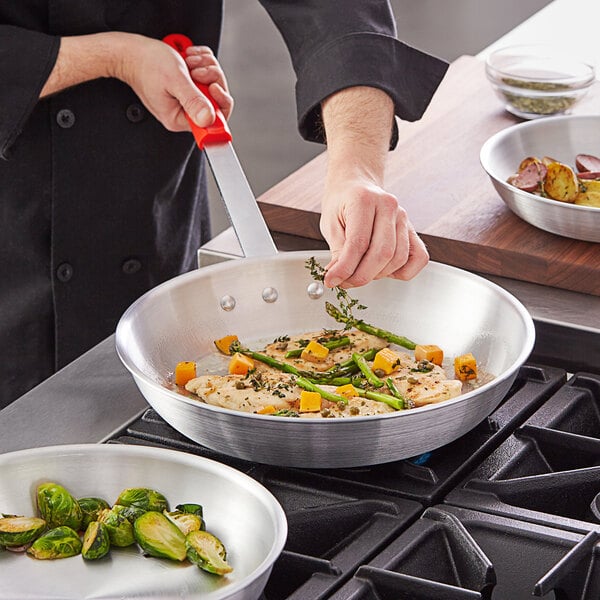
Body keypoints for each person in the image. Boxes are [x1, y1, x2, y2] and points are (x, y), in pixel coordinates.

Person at [0, 1, 448, 409]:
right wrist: (114, 55)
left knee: (157, 375)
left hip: (145, 206)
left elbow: (337, 11)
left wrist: (356, 167)